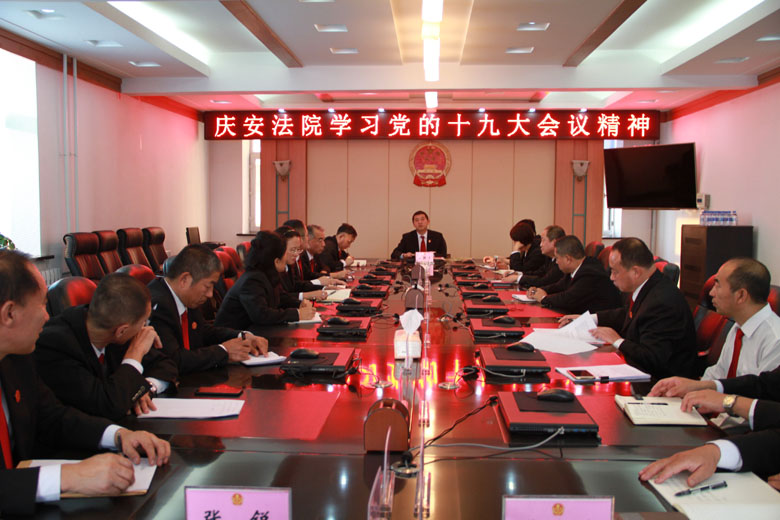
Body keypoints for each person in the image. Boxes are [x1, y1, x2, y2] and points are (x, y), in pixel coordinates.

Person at [0, 250, 170, 515]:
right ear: (9, 313)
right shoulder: (43, 345)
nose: (47, 316)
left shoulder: (16, 359)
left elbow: (52, 416)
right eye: (42, 304)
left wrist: (118, 435)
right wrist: (67, 477)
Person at [34, 273, 177, 422]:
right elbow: (107, 406)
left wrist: (146, 388)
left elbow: (166, 364)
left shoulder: (113, 330)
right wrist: (135, 353)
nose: (144, 328)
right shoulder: (56, 345)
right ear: (121, 331)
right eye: (143, 322)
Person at [588, 237, 701, 379]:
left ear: (636, 272)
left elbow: (652, 358)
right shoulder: (650, 286)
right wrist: (592, 318)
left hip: (661, 381)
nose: (611, 277)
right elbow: (629, 314)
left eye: (615, 272)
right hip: (643, 371)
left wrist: (617, 341)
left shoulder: (662, 302)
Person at [148, 245, 267, 374]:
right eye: (207, 286)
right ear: (184, 280)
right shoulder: (157, 306)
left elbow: (204, 332)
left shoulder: (185, 297)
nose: (210, 294)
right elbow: (173, 360)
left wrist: (243, 336)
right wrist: (224, 351)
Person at [215, 231, 316, 330]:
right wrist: (298, 314)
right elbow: (261, 315)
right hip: (234, 336)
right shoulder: (252, 280)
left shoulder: (267, 274)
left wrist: (299, 304)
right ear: (276, 261)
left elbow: (280, 297)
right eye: (285, 253)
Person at [700, 258, 780, 380]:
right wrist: (691, 387)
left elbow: (758, 390)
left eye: (718, 286)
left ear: (741, 295)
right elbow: (719, 372)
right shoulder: (739, 327)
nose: (711, 293)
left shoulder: (775, 340)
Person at [527, 235, 621, 314]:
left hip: (598, 325)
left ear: (568, 259)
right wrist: (538, 290)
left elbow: (568, 299)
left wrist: (543, 298)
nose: (556, 262)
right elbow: (559, 286)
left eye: (557, 258)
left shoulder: (590, 273)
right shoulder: (576, 268)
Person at [274, 226, 330, 302]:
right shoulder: (273, 270)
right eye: (293, 250)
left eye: (298, 249)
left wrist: (323, 288)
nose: (296, 254)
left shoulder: (289, 265)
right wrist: (307, 296)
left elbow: (295, 285)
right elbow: (281, 297)